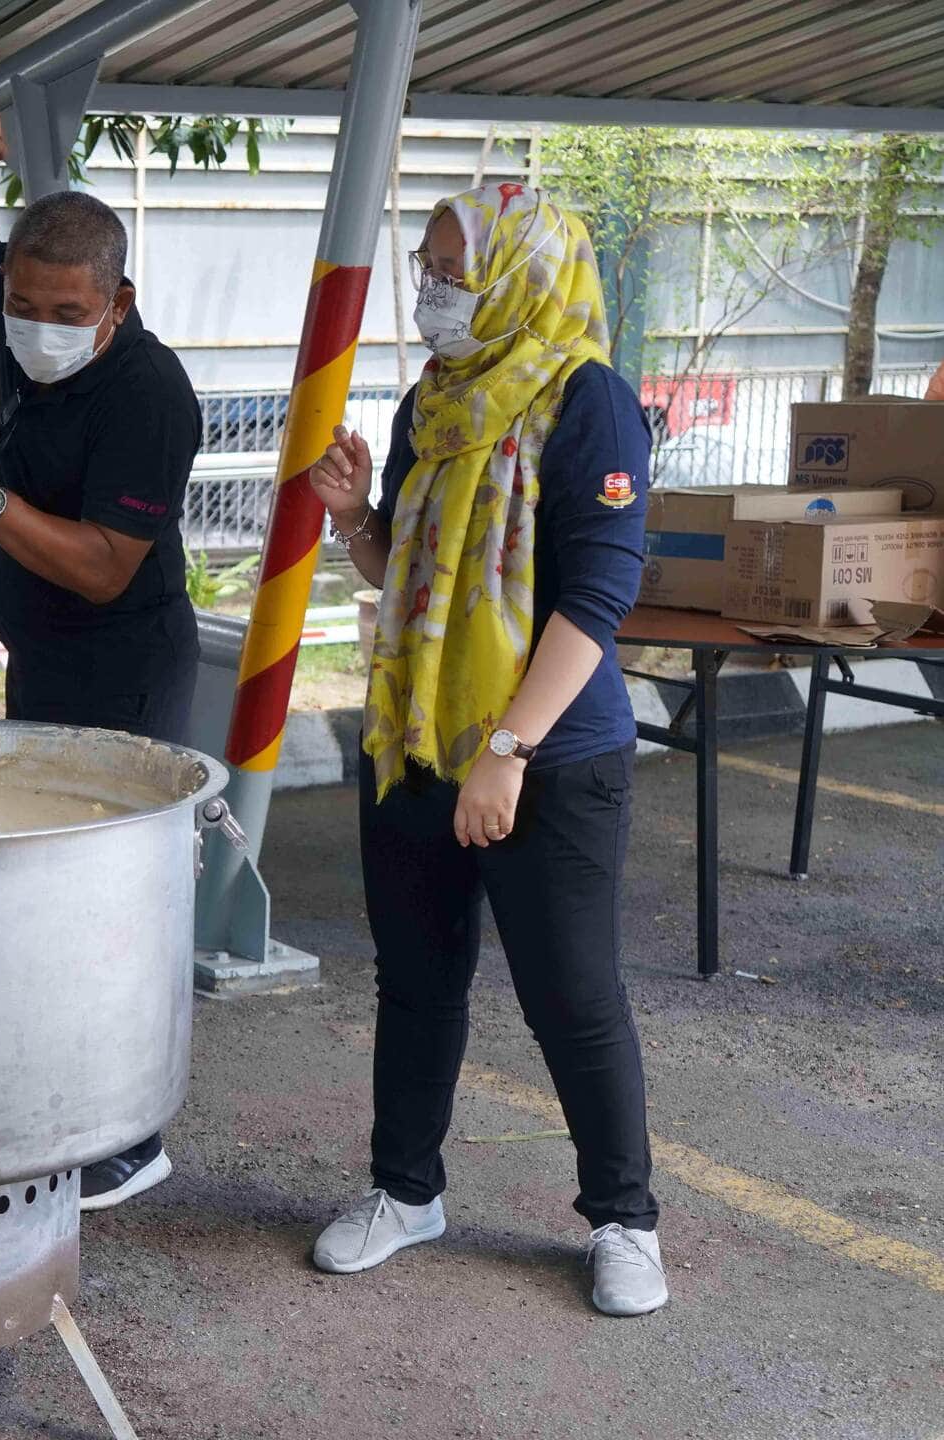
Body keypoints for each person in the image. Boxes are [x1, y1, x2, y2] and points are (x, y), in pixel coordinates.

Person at [304, 183, 667, 1318]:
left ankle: (623, 1220)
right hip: (416, 737)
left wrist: (506, 749)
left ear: (518, 268)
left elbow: (598, 595)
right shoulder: (436, 400)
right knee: (416, 980)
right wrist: (357, 518)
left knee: (569, 992)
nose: (430, 289)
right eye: (424, 263)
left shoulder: (587, 400)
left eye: (448, 267)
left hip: (547, 752)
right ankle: (403, 1191)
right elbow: (402, 581)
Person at [0, 105, 200, 1212]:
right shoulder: (19, 291)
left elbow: (103, 567)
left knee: (112, 901)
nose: (35, 326)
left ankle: (129, 1135)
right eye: (21, 306)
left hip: (121, 665)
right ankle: (56, 1101)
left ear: (114, 305)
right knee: (48, 897)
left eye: (65, 313)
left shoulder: (149, 395)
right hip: (42, 655)